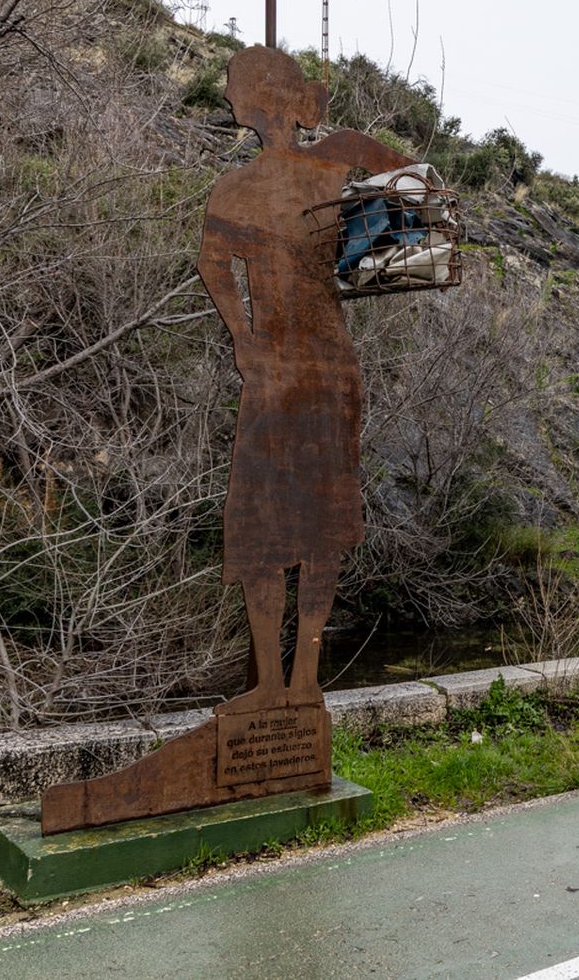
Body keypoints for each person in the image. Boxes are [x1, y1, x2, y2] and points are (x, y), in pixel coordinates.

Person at [195, 46, 413, 711]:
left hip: (314, 364)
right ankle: (272, 682)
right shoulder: (247, 185)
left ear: (265, 101)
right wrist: (242, 338)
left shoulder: (313, 168)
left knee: (314, 523)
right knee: (265, 524)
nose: (238, 105)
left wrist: (343, 141)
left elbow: (406, 181)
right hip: (284, 365)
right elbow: (212, 263)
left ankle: (301, 680)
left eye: (242, 93)